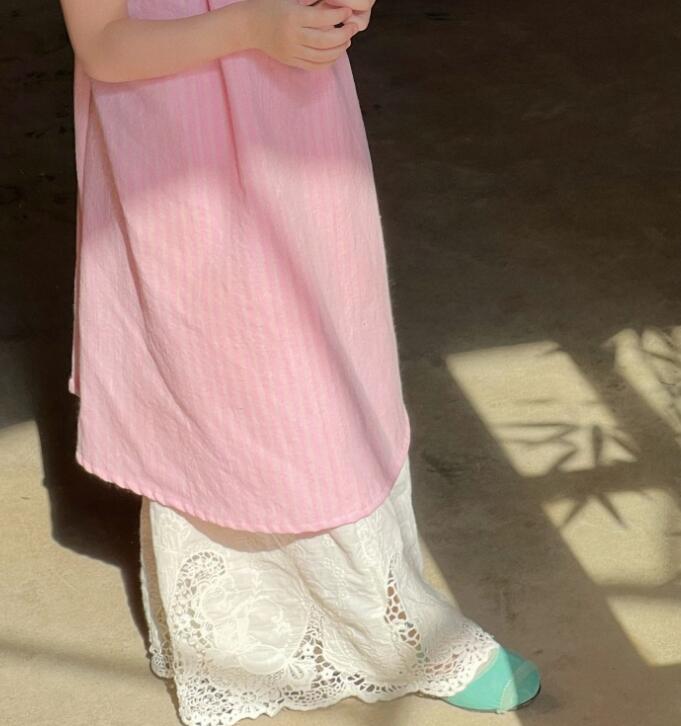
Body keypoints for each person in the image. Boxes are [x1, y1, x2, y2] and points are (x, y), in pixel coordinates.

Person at [58, 1, 541, 723]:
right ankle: (380, 630)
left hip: (296, 117)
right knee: (238, 376)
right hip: (180, 150)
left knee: (334, 357)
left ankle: (348, 613)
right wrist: (252, 27)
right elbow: (103, 44)